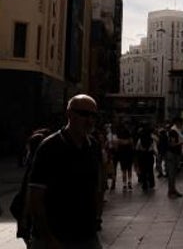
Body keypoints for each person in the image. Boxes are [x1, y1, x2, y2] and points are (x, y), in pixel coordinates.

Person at [28, 94, 103, 249]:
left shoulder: (94, 146)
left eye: (93, 115)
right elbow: (35, 196)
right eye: (83, 114)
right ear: (69, 114)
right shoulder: (49, 147)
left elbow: (96, 186)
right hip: (54, 237)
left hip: (86, 236)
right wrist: (48, 238)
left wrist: (96, 218)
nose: (89, 120)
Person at [135, 125, 156, 192]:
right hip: (149, 155)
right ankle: (151, 183)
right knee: (150, 170)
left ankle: (144, 184)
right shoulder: (151, 138)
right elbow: (154, 147)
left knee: (143, 171)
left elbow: (137, 148)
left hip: (142, 156)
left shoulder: (140, 139)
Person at [115, 122, 134, 191]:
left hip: (122, 155)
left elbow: (116, 147)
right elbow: (132, 145)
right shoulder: (129, 138)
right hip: (129, 154)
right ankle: (129, 182)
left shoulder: (119, 138)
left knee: (123, 170)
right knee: (129, 169)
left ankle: (124, 184)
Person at [166, 128, 183, 198]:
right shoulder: (173, 132)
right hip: (172, 155)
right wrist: (181, 142)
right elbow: (172, 144)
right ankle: (170, 191)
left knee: (173, 174)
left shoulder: (175, 132)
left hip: (174, 155)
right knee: (171, 174)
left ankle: (173, 190)